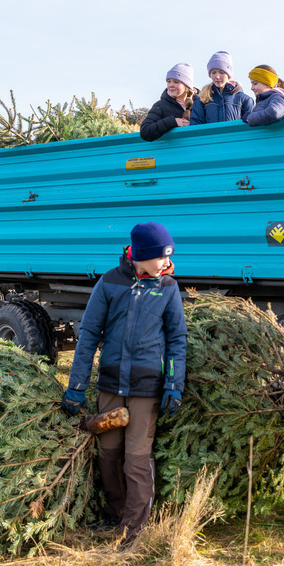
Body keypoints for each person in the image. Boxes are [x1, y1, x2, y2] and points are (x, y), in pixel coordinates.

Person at [61, 222, 188, 546]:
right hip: (110, 385)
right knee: (108, 454)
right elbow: (89, 334)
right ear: (141, 256)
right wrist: (77, 384)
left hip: (147, 389)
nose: (166, 262)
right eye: (161, 256)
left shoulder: (167, 287)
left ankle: (134, 531)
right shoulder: (109, 283)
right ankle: (116, 515)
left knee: (136, 459)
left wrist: (174, 383)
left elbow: (176, 339)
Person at [190, 51, 255, 125]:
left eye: (221, 72)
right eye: (213, 73)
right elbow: (196, 124)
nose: (217, 77)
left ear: (228, 74)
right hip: (211, 136)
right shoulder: (202, 100)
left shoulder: (244, 100)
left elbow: (251, 125)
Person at [140, 63, 195, 141]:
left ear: (187, 85)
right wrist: (173, 121)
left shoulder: (199, 103)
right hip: (174, 151)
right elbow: (145, 132)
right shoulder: (160, 106)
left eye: (176, 82)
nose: (171, 85)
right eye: (169, 81)